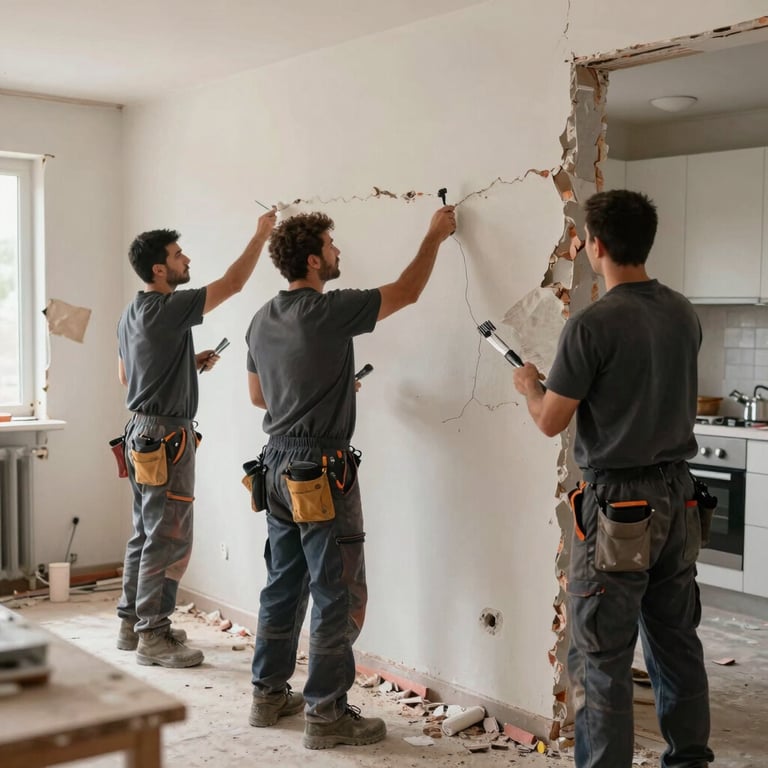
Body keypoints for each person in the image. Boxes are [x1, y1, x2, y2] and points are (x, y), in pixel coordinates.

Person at [513, 189, 713, 768]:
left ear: (595, 246)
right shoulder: (682, 311)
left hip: (619, 508)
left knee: (601, 657)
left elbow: (552, 421)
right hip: (680, 496)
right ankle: (690, 760)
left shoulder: (591, 325)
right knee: (676, 643)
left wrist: (530, 386)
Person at [245, 205, 456, 748]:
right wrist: (434, 235)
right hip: (320, 471)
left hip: (274, 465)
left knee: (283, 583)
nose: (340, 253)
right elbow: (407, 291)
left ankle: (268, 695)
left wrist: (319, 391)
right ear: (314, 260)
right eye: (333, 246)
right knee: (337, 588)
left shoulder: (261, 317)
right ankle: (326, 713)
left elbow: (258, 397)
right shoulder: (329, 310)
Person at [116, 208, 276, 668]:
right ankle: (154, 634)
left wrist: (187, 363)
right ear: (160, 270)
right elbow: (232, 284)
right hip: (166, 435)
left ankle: (133, 623)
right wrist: (260, 234)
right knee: (168, 537)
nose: (187, 260)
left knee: (145, 532)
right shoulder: (168, 307)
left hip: (140, 430)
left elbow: (126, 376)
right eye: (178, 255)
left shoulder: (132, 313)